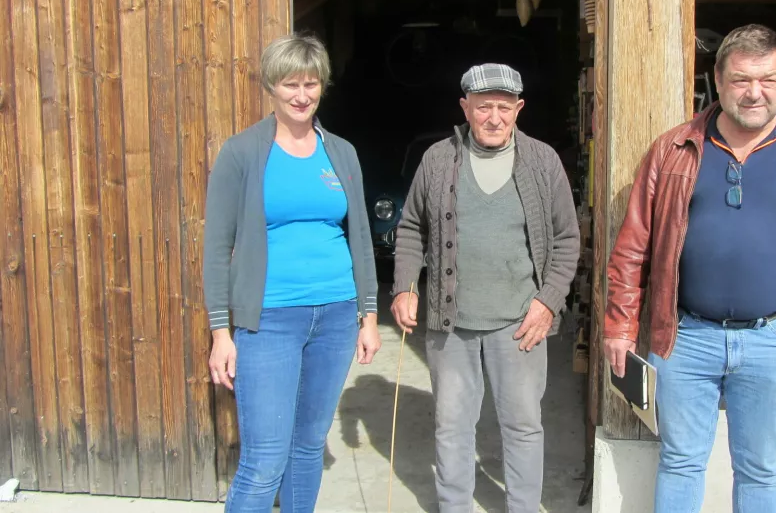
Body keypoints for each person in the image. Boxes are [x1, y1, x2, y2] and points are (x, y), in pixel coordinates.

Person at [603, 24, 776, 513]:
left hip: (773, 339)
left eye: (767, 80)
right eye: (741, 80)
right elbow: (633, 245)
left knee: (760, 470)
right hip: (685, 339)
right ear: (717, 82)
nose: (754, 92)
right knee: (680, 462)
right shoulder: (673, 150)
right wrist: (620, 325)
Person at [202, 33, 382, 513]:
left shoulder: (340, 152)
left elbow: (360, 237)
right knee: (263, 459)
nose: (302, 95)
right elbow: (217, 247)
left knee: (308, 448)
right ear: (271, 88)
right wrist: (221, 332)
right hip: (270, 320)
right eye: (290, 85)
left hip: (337, 316)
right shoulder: (241, 153)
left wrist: (368, 316)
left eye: (311, 84)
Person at [390, 63, 580, 513]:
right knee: (453, 425)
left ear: (519, 109)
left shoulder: (542, 161)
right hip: (449, 322)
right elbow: (411, 227)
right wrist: (404, 286)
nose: (493, 118)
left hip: (520, 321)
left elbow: (567, 239)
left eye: (503, 107)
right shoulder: (438, 159)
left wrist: (548, 302)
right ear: (465, 108)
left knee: (522, 425)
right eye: (483, 108)